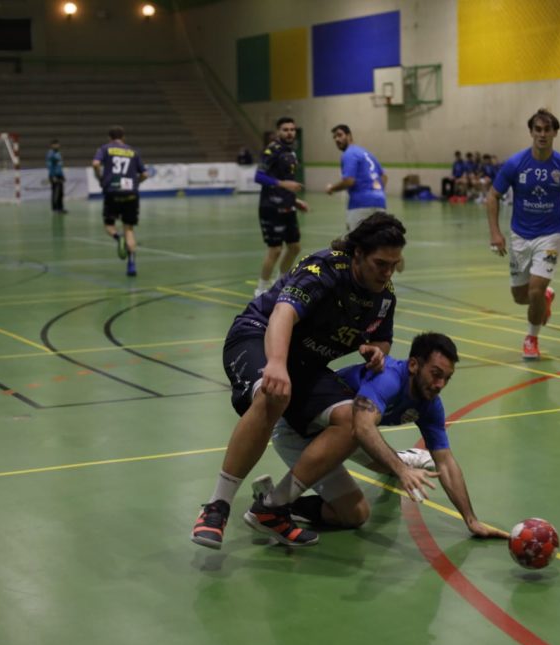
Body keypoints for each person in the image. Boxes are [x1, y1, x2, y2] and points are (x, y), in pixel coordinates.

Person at [189, 214, 428, 550]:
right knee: (273, 396)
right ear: (357, 254)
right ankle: (217, 507)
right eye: (380, 263)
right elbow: (282, 314)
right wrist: (275, 363)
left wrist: (377, 351)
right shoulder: (324, 269)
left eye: (394, 264)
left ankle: (273, 508)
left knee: (352, 422)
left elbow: (382, 340)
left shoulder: (383, 295)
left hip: (305, 363)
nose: (387, 272)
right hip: (257, 336)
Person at [263, 332, 507, 540]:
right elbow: (363, 428)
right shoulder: (388, 378)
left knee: (355, 515)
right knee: (375, 447)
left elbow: (446, 462)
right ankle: (273, 503)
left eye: (446, 378)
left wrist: (471, 520)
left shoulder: (430, 403)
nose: (440, 384)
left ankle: (293, 505)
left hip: (345, 434)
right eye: (435, 373)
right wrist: (402, 471)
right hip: (298, 429)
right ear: (413, 365)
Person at [487, 108, 560, 361]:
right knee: (521, 297)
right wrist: (495, 233)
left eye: (547, 129)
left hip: (551, 235)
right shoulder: (515, 164)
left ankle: (531, 338)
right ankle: (546, 297)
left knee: (534, 291)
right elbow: (492, 196)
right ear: (531, 132)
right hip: (520, 236)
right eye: (538, 129)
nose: (542, 134)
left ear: (555, 132)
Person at [253, 117, 309, 298]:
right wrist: (283, 184)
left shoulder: (291, 152)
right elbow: (259, 177)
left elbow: (287, 182)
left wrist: (295, 201)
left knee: (294, 247)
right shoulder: (272, 150)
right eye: (285, 129)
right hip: (270, 207)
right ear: (278, 132)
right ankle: (261, 290)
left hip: (287, 207)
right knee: (275, 249)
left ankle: (281, 282)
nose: (289, 132)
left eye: (292, 129)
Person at [92, 126, 147, 277]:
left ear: (109, 138)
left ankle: (118, 238)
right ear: (124, 137)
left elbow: (96, 163)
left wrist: (100, 178)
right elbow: (145, 174)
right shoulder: (132, 151)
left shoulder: (105, 148)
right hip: (130, 193)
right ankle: (131, 265)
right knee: (129, 229)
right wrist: (136, 183)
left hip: (113, 192)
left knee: (109, 226)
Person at [326, 124, 387, 229]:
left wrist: (332, 188)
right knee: (377, 241)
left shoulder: (349, 154)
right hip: (380, 201)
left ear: (349, 136)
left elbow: (349, 181)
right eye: (334, 137)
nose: (337, 139)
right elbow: (384, 177)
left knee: (356, 241)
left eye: (340, 135)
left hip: (360, 204)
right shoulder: (366, 153)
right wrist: (376, 192)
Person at [46, 139, 66, 214]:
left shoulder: (58, 153)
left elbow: (59, 166)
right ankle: (55, 209)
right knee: (56, 192)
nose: (57, 145)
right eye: (55, 144)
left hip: (60, 175)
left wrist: (62, 175)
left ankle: (60, 208)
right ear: (52, 145)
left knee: (61, 192)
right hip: (54, 176)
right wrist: (53, 176)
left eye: (58, 144)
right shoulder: (50, 154)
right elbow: (50, 166)